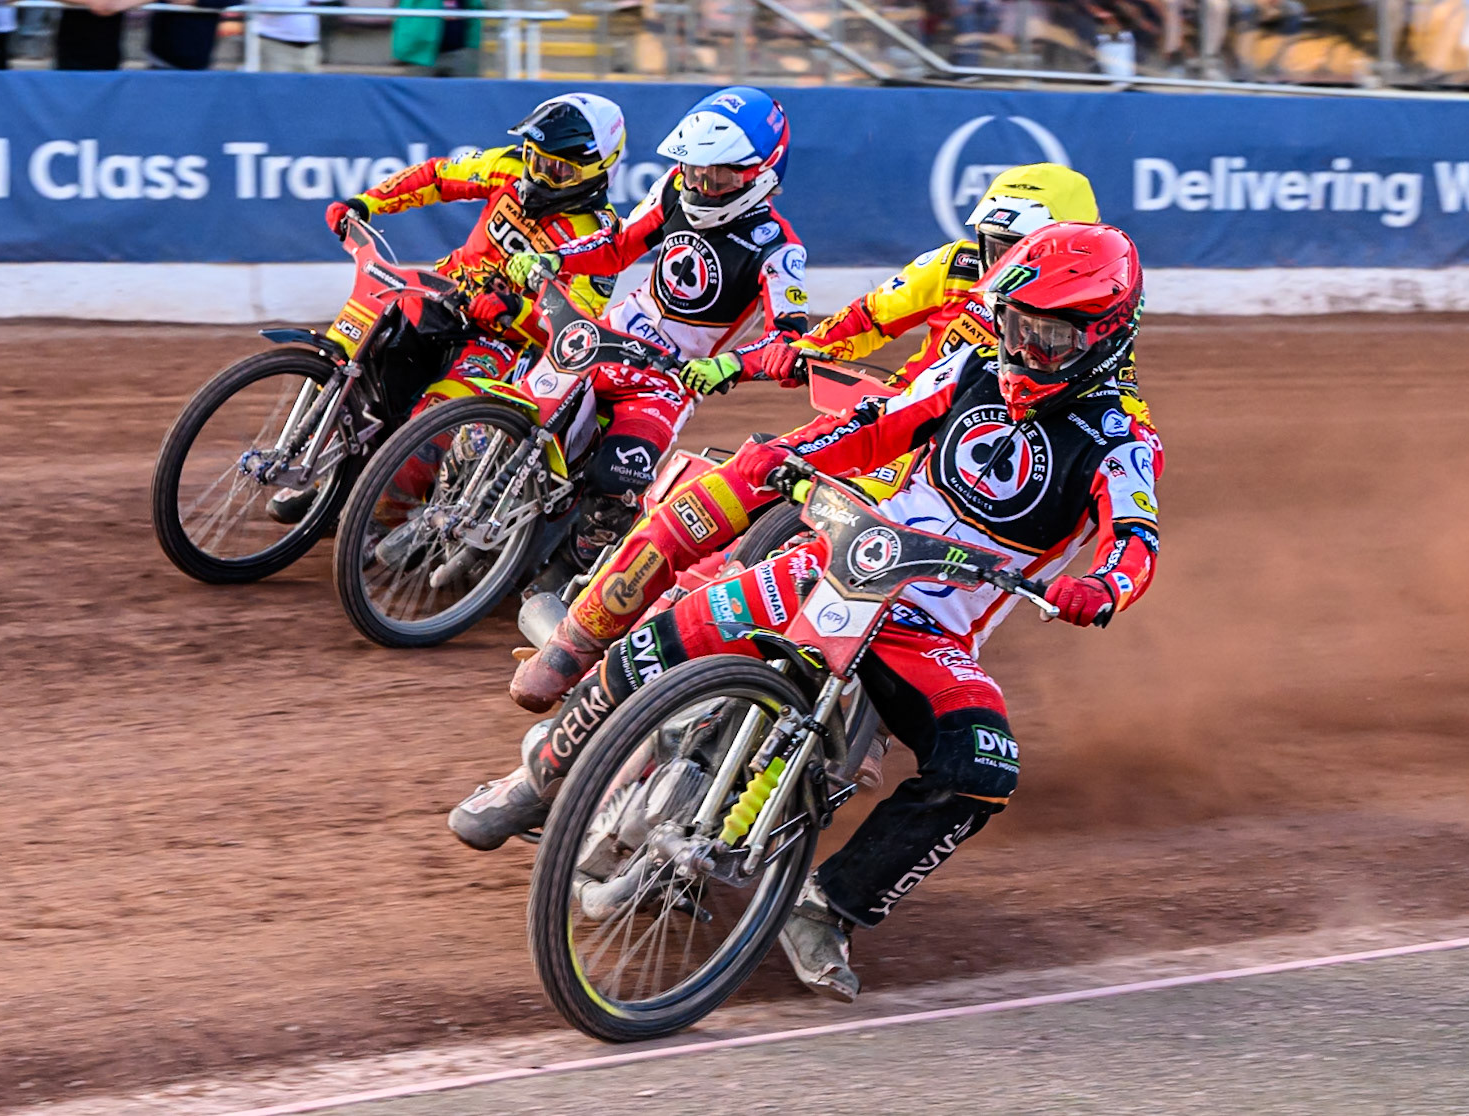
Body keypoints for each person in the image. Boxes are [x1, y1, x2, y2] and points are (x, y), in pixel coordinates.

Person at [451, 223, 1164, 1006]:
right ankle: (538, 773)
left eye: (1050, 335)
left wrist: (1100, 588)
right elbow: (875, 425)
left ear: (1104, 335)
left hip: (931, 634)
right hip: (841, 563)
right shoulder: (969, 367)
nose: (1026, 349)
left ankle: (829, 905)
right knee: (664, 633)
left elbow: (1134, 540)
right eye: (1016, 325)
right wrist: (799, 452)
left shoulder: (1122, 438)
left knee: (982, 768)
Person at [507, 162, 1103, 713]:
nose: (1000, 262)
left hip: (947, 488)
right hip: (879, 431)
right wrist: (756, 360)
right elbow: (860, 322)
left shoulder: (1092, 350)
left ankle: (855, 726)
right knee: (719, 511)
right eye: (993, 244)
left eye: (1018, 248)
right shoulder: (950, 266)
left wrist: (1098, 582)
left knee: (926, 600)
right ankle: (588, 650)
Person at [264, 92, 626, 525]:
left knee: (429, 427)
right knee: (359, 368)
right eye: (534, 157)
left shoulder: (600, 237)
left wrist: (516, 309)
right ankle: (334, 479)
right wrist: (366, 203)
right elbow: (437, 177)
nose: (538, 172)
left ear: (597, 170)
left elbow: (574, 332)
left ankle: (378, 522)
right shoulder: (507, 166)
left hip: (500, 343)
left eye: (557, 168)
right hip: (440, 296)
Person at [496, 85, 810, 569]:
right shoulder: (672, 188)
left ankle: (578, 579)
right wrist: (555, 257)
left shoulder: (780, 250)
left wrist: (731, 365)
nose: (700, 184)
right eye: (694, 168)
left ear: (762, 176)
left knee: (616, 482)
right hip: (608, 337)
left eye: (718, 175)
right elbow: (619, 245)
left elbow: (788, 340)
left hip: (669, 380)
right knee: (510, 412)